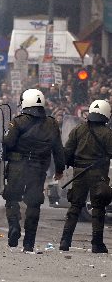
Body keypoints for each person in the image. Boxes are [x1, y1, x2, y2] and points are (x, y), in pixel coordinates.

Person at [2, 89, 64, 252]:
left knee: (12, 198)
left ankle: (14, 226)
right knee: (34, 204)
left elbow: (8, 143)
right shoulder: (52, 123)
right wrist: (59, 169)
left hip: (17, 167)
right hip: (38, 169)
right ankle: (29, 242)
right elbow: (58, 149)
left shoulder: (18, 121)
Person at [58, 100, 112, 253]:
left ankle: (65, 240)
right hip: (98, 174)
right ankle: (97, 243)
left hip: (79, 173)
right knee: (98, 208)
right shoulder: (108, 134)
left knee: (75, 207)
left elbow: (67, 153)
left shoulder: (78, 130)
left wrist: (63, 167)